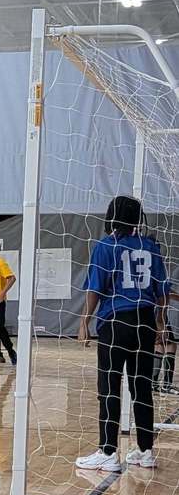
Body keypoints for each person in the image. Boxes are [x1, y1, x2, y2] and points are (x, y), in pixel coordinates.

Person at [77, 195, 169, 472]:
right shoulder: (151, 246)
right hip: (145, 321)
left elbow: (95, 288)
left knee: (109, 387)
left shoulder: (106, 246)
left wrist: (84, 321)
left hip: (116, 321)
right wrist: (160, 323)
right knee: (141, 388)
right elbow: (162, 290)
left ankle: (107, 452)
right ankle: (145, 450)